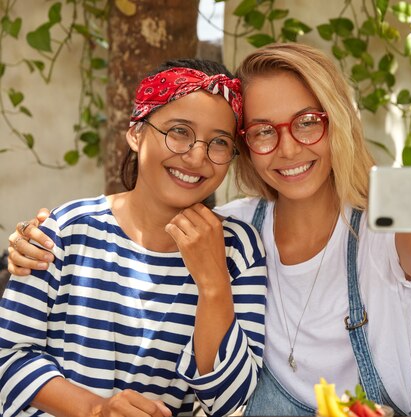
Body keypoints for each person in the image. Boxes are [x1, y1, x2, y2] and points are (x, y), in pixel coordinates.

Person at [7, 43, 411, 417]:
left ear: (339, 124)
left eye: (308, 122)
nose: (288, 149)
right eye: (264, 130)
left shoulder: (379, 212)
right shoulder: (237, 225)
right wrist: (31, 239)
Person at [0, 59, 267, 417]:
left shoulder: (239, 250)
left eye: (219, 142)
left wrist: (213, 283)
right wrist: (97, 409)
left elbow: (232, 403)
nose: (197, 156)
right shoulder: (66, 231)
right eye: (179, 131)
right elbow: (8, 358)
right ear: (136, 133)